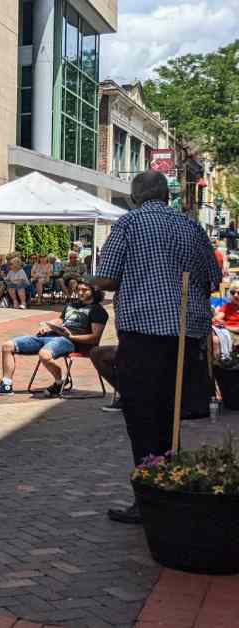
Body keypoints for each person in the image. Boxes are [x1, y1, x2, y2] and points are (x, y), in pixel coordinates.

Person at [94, 170, 222, 524]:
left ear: (136, 197)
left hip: (143, 334)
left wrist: (90, 280)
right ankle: (170, 487)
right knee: (170, 416)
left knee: (142, 418)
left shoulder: (129, 224)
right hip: (185, 334)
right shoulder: (191, 227)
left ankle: (150, 500)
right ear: (167, 196)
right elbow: (213, 278)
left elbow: (107, 277)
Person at [0, 283, 108, 397]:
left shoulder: (97, 310)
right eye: (79, 289)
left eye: (85, 290)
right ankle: (6, 385)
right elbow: (60, 320)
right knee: (8, 346)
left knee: (44, 355)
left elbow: (94, 337)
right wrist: (47, 325)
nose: (80, 293)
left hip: (69, 341)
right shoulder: (71, 305)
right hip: (49, 336)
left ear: (95, 291)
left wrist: (71, 337)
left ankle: (61, 380)